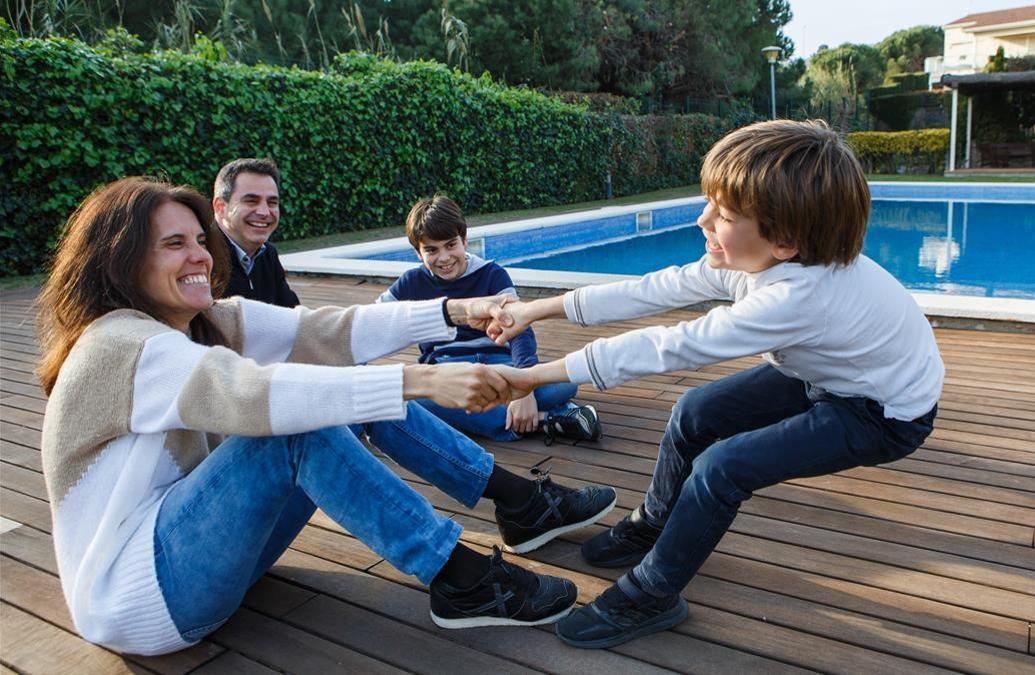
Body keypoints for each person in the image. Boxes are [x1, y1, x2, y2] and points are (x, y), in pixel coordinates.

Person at [35, 177, 616, 656]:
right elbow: (249, 392)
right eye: (173, 244)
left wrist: (459, 307)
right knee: (300, 425)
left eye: (199, 240)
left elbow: (328, 332)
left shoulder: (206, 318)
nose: (199, 256)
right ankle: (461, 578)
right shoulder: (116, 344)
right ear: (120, 258)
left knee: (333, 394)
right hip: (141, 600)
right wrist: (422, 379)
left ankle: (519, 501)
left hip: (211, 557)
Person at [487, 120, 945, 648]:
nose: (703, 218)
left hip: (882, 412)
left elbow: (669, 345)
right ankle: (655, 521)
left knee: (722, 468)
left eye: (724, 214)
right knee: (694, 412)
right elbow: (657, 289)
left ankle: (652, 595)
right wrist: (534, 311)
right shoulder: (761, 257)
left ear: (786, 240)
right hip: (828, 372)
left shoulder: (798, 297)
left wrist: (528, 376)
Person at [378, 195, 601, 445]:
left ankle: (509, 414)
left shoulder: (492, 274)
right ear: (418, 252)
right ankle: (547, 420)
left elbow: (519, 331)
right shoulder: (411, 282)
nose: (443, 258)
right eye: (431, 249)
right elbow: (374, 320)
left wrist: (524, 385)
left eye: (451, 245)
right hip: (450, 370)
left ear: (465, 240)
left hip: (502, 364)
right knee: (416, 398)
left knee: (566, 380)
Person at [212, 158, 299, 307]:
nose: (264, 212)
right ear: (220, 207)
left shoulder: (267, 254)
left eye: (272, 202)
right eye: (251, 201)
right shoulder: (201, 258)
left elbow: (294, 315)